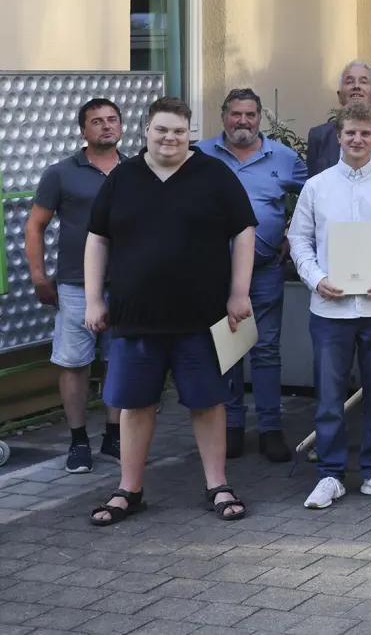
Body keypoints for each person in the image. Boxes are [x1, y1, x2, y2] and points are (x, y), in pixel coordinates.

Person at [83, 97, 256, 526]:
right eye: (161, 130)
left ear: (189, 133)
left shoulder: (213, 175)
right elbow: (97, 240)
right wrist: (92, 299)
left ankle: (217, 484)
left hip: (201, 317)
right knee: (135, 406)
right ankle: (129, 490)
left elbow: (245, 232)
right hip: (135, 317)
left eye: (178, 131)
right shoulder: (122, 178)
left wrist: (239, 292)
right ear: (146, 130)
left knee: (208, 403)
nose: (170, 138)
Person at [290, 100, 371, 509]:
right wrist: (316, 279)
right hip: (330, 309)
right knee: (329, 395)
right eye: (351, 133)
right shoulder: (317, 186)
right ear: (338, 136)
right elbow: (299, 240)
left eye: (365, 133)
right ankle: (329, 474)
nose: (358, 139)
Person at [199, 87, 308, 463]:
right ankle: (231, 426)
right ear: (223, 116)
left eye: (249, 114)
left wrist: (293, 237)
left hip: (264, 272)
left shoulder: (284, 157)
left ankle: (270, 429)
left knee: (265, 350)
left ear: (260, 117)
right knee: (228, 351)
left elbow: (313, 201)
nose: (242, 121)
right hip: (215, 274)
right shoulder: (200, 155)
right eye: (235, 114)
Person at [26, 98, 126, 472]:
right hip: (75, 284)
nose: (105, 126)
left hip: (126, 283)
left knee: (120, 359)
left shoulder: (135, 170)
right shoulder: (60, 173)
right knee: (74, 363)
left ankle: (114, 436)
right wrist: (38, 276)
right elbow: (35, 226)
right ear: (83, 130)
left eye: (112, 120)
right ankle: (78, 441)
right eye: (96, 121)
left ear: (121, 126)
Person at [306, 61, 371, 176]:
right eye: (349, 81)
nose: (356, 86)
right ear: (339, 95)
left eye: (363, 81)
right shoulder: (318, 136)